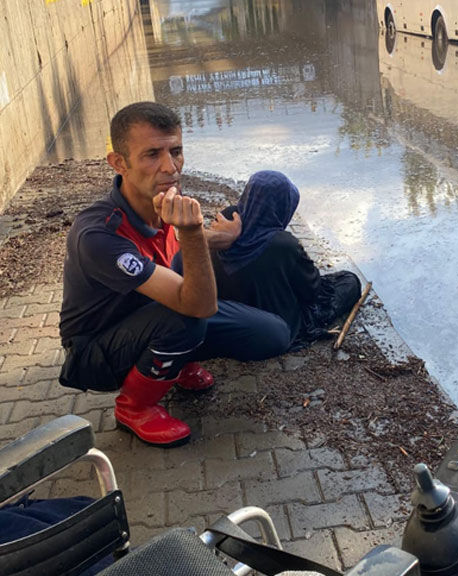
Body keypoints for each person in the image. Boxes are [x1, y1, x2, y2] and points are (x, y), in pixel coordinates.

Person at [58, 102, 291, 448]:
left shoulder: (161, 198)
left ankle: (175, 363)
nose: (170, 168)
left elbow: (174, 244)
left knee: (273, 334)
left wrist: (223, 238)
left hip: (151, 310)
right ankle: (134, 407)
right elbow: (196, 304)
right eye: (152, 154)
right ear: (119, 163)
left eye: (176, 151)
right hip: (95, 349)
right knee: (188, 319)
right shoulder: (99, 235)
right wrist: (195, 233)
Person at [185, 170, 362, 351]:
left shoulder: (227, 219)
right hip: (277, 320)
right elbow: (312, 290)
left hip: (227, 310)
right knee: (349, 280)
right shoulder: (283, 244)